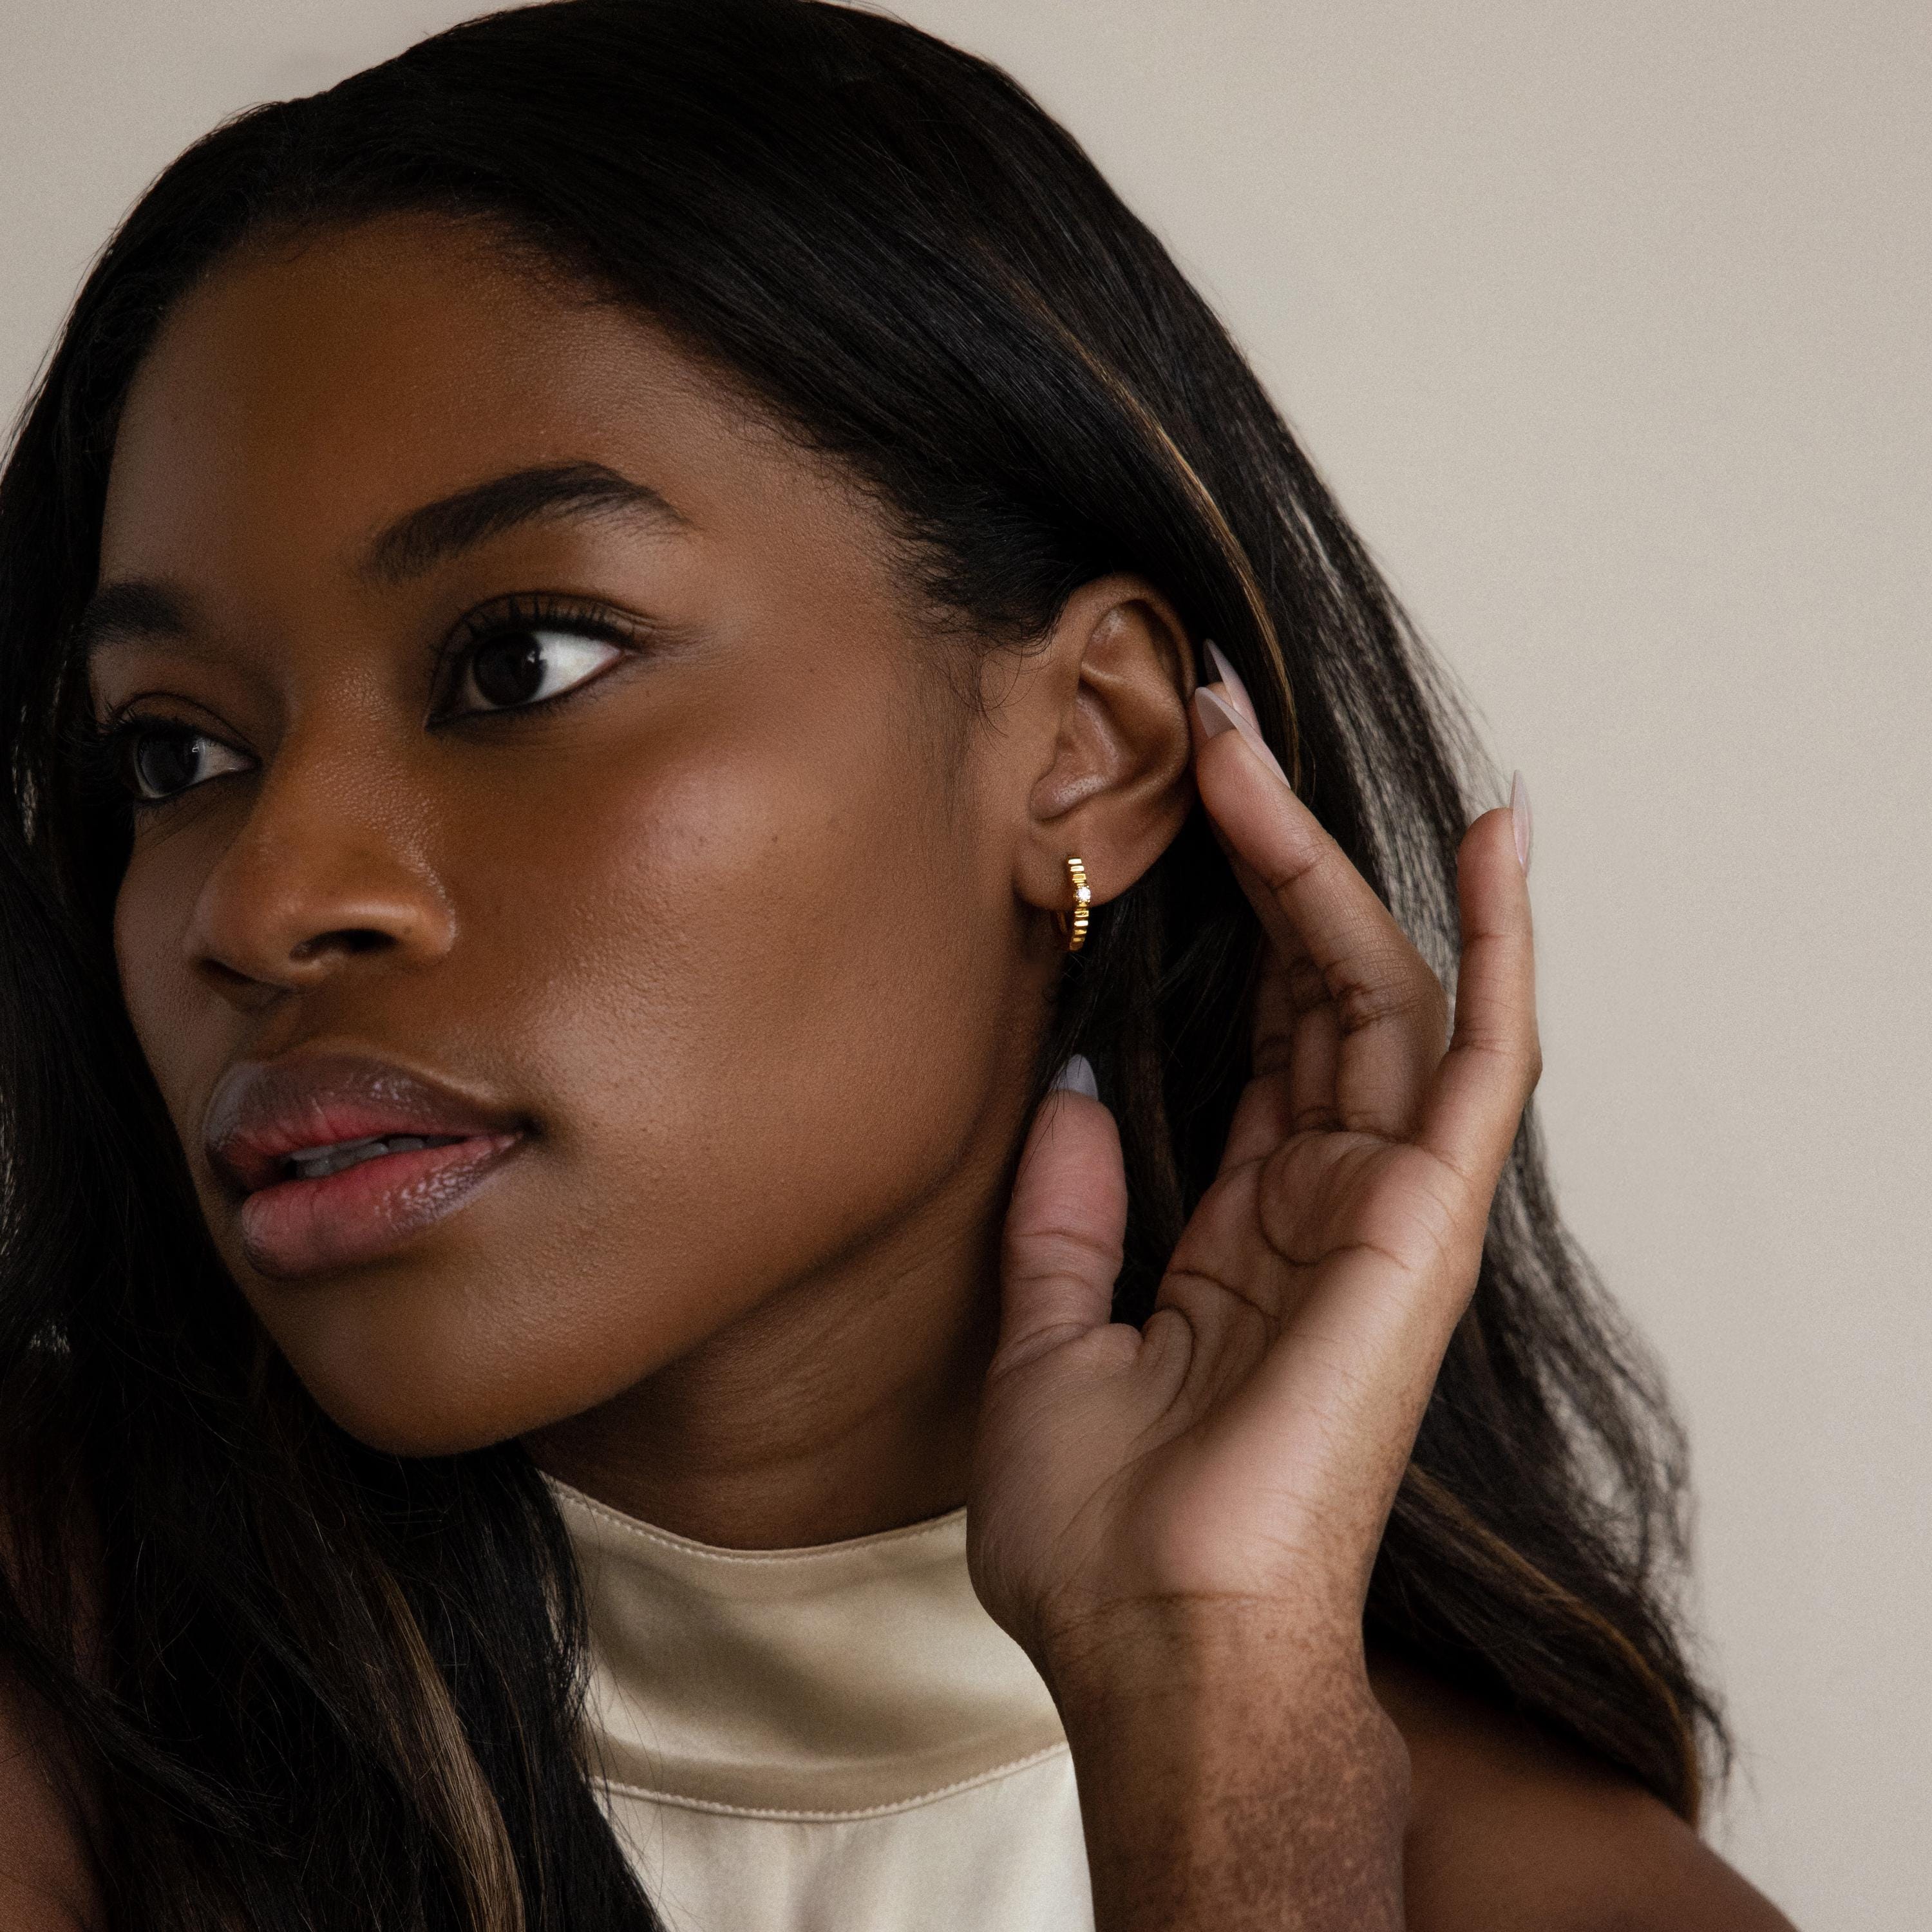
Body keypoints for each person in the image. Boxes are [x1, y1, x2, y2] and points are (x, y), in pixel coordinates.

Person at [0, 1, 1797, 1926]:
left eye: (519, 663)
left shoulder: (1553, 1891)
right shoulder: (60, 1695)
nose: (259, 902)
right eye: (175, 753)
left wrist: (1221, 1730)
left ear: (1090, 745)